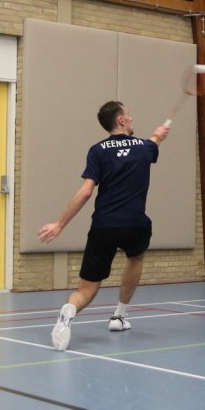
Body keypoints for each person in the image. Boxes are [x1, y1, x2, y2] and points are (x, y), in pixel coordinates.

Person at [38, 101, 170, 351]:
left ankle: (69, 310)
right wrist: (158, 135)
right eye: (128, 115)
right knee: (136, 258)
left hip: (104, 226)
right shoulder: (144, 147)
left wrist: (59, 224)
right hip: (135, 224)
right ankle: (119, 316)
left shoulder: (97, 151)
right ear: (121, 120)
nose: (131, 119)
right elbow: (154, 141)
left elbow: (86, 191)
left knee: (87, 289)